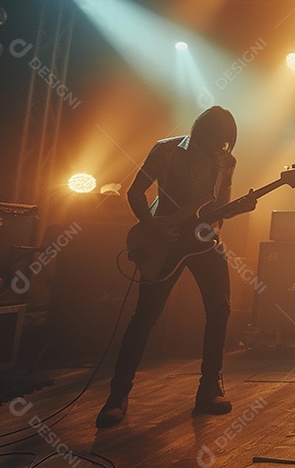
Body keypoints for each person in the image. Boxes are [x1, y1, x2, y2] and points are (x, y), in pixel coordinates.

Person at [97, 106, 253, 428]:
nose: (219, 148)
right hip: (162, 239)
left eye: (225, 143)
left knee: (220, 310)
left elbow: (219, 208)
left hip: (203, 242)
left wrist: (236, 211)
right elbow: (136, 191)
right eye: (215, 140)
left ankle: (209, 389)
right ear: (200, 132)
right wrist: (152, 226)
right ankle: (118, 395)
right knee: (145, 317)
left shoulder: (226, 162)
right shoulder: (166, 149)